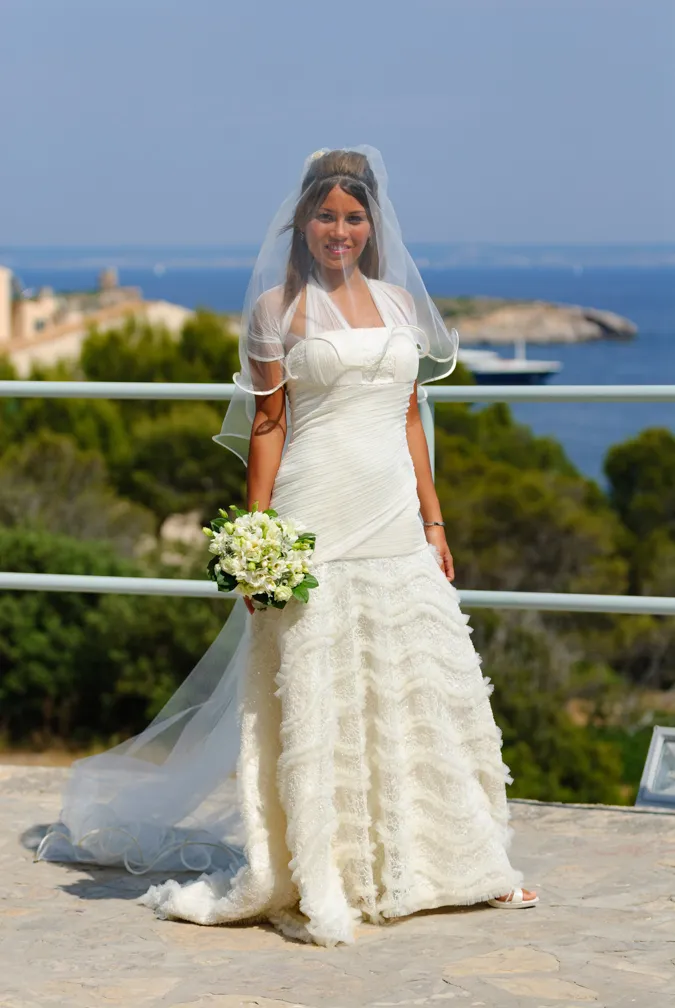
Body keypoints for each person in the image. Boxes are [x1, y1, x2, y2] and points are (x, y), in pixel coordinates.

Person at [37, 146, 537, 946]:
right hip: (316, 510)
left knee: (418, 676)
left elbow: (411, 415)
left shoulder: (401, 302)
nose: (338, 230)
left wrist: (434, 520)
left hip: (394, 513)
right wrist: (255, 534)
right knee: (317, 685)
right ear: (301, 222)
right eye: (325, 216)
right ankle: (322, 868)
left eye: (352, 217)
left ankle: (453, 864)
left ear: (371, 225)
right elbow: (268, 425)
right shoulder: (277, 309)